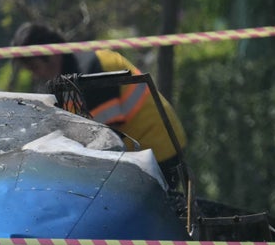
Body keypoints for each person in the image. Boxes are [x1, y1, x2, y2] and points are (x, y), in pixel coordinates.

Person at [11, 22, 188, 178]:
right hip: (139, 154)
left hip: (157, 148)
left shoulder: (92, 70)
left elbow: (105, 138)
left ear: (51, 54)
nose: (35, 75)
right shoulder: (65, 78)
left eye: (34, 67)